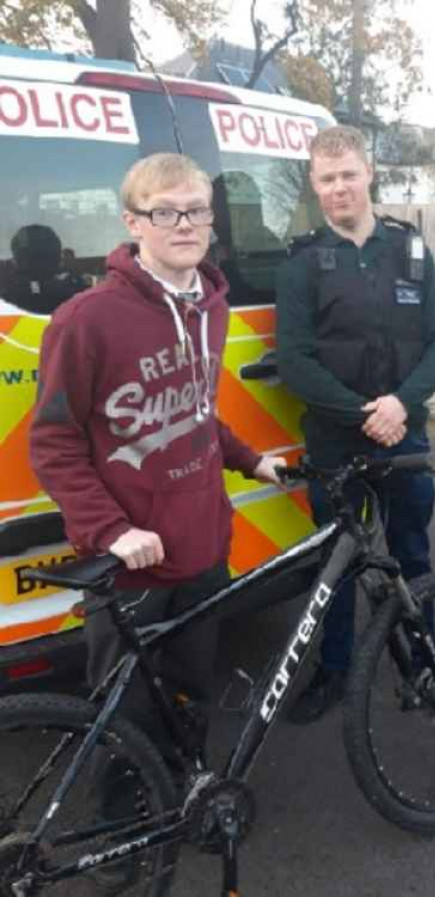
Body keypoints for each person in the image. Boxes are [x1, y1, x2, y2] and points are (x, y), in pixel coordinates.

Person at [29, 153, 286, 764]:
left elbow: (193, 412)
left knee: (193, 691)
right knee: (125, 713)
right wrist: (111, 531)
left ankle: (186, 792)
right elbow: (53, 442)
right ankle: (125, 834)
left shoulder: (212, 306)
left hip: (202, 548)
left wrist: (251, 461)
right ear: (133, 223)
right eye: (164, 211)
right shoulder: (85, 321)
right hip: (131, 564)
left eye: (197, 210)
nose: (184, 224)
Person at [276, 125, 435, 724]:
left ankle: (426, 660)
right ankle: (334, 670)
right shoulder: (301, 265)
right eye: (327, 179)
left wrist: (400, 405)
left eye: (349, 174)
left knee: (411, 550)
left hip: (405, 436)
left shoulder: (410, 250)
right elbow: (295, 361)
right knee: (337, 566)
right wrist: (363, 413)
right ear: (314, 184)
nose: (339, 188)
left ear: (369, 173)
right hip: (336, 442)